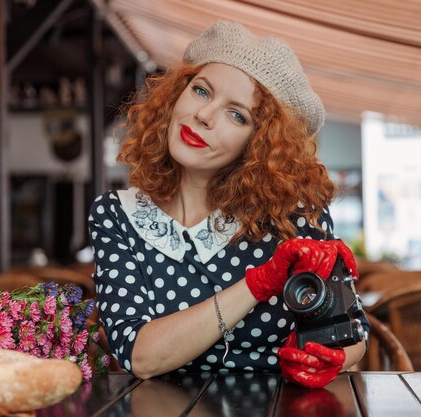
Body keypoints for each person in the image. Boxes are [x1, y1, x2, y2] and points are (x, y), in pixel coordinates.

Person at [89, 20, 369, 389]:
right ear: (175, 95)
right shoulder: (115, 215)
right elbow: (140, 356)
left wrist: (330, 358)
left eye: (237, 115)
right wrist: (257, 284)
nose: (204, 115)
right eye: (201, 91)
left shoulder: (295, 220)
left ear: (259, 145)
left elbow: (352, 332)